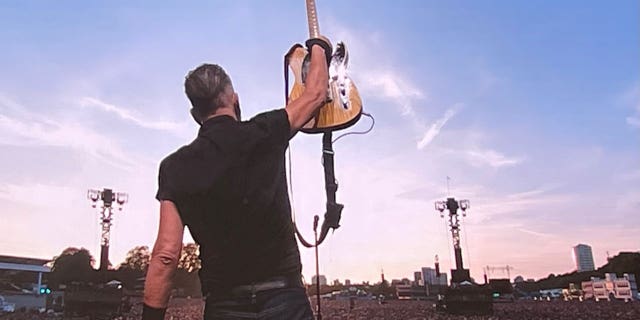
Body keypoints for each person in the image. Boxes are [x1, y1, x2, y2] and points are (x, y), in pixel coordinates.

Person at [142, 37, 332, 320]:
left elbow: (166, 255)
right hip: (284, 299)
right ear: (235, 100)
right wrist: (319, 46)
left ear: (196, 115)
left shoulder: (175, 167)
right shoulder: (265, 132)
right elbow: (316, 93)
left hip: (224, 305)